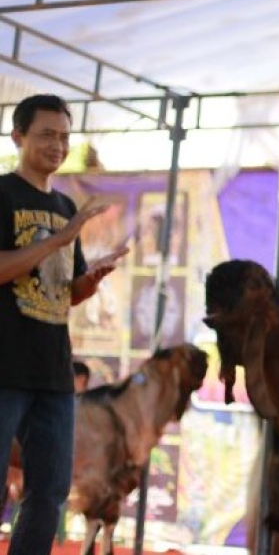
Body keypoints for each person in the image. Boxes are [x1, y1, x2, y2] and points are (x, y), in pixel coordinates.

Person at [0, 93, 129, 555]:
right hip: (4, 366)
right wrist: (61, 238)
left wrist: (90, 281)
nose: (58, 145)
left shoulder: (63, 205)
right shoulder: (2, 193)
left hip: (54, 373)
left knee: (50, 493)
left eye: (64, 137)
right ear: (18, 136)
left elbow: (65, 292)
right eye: (47, 135)